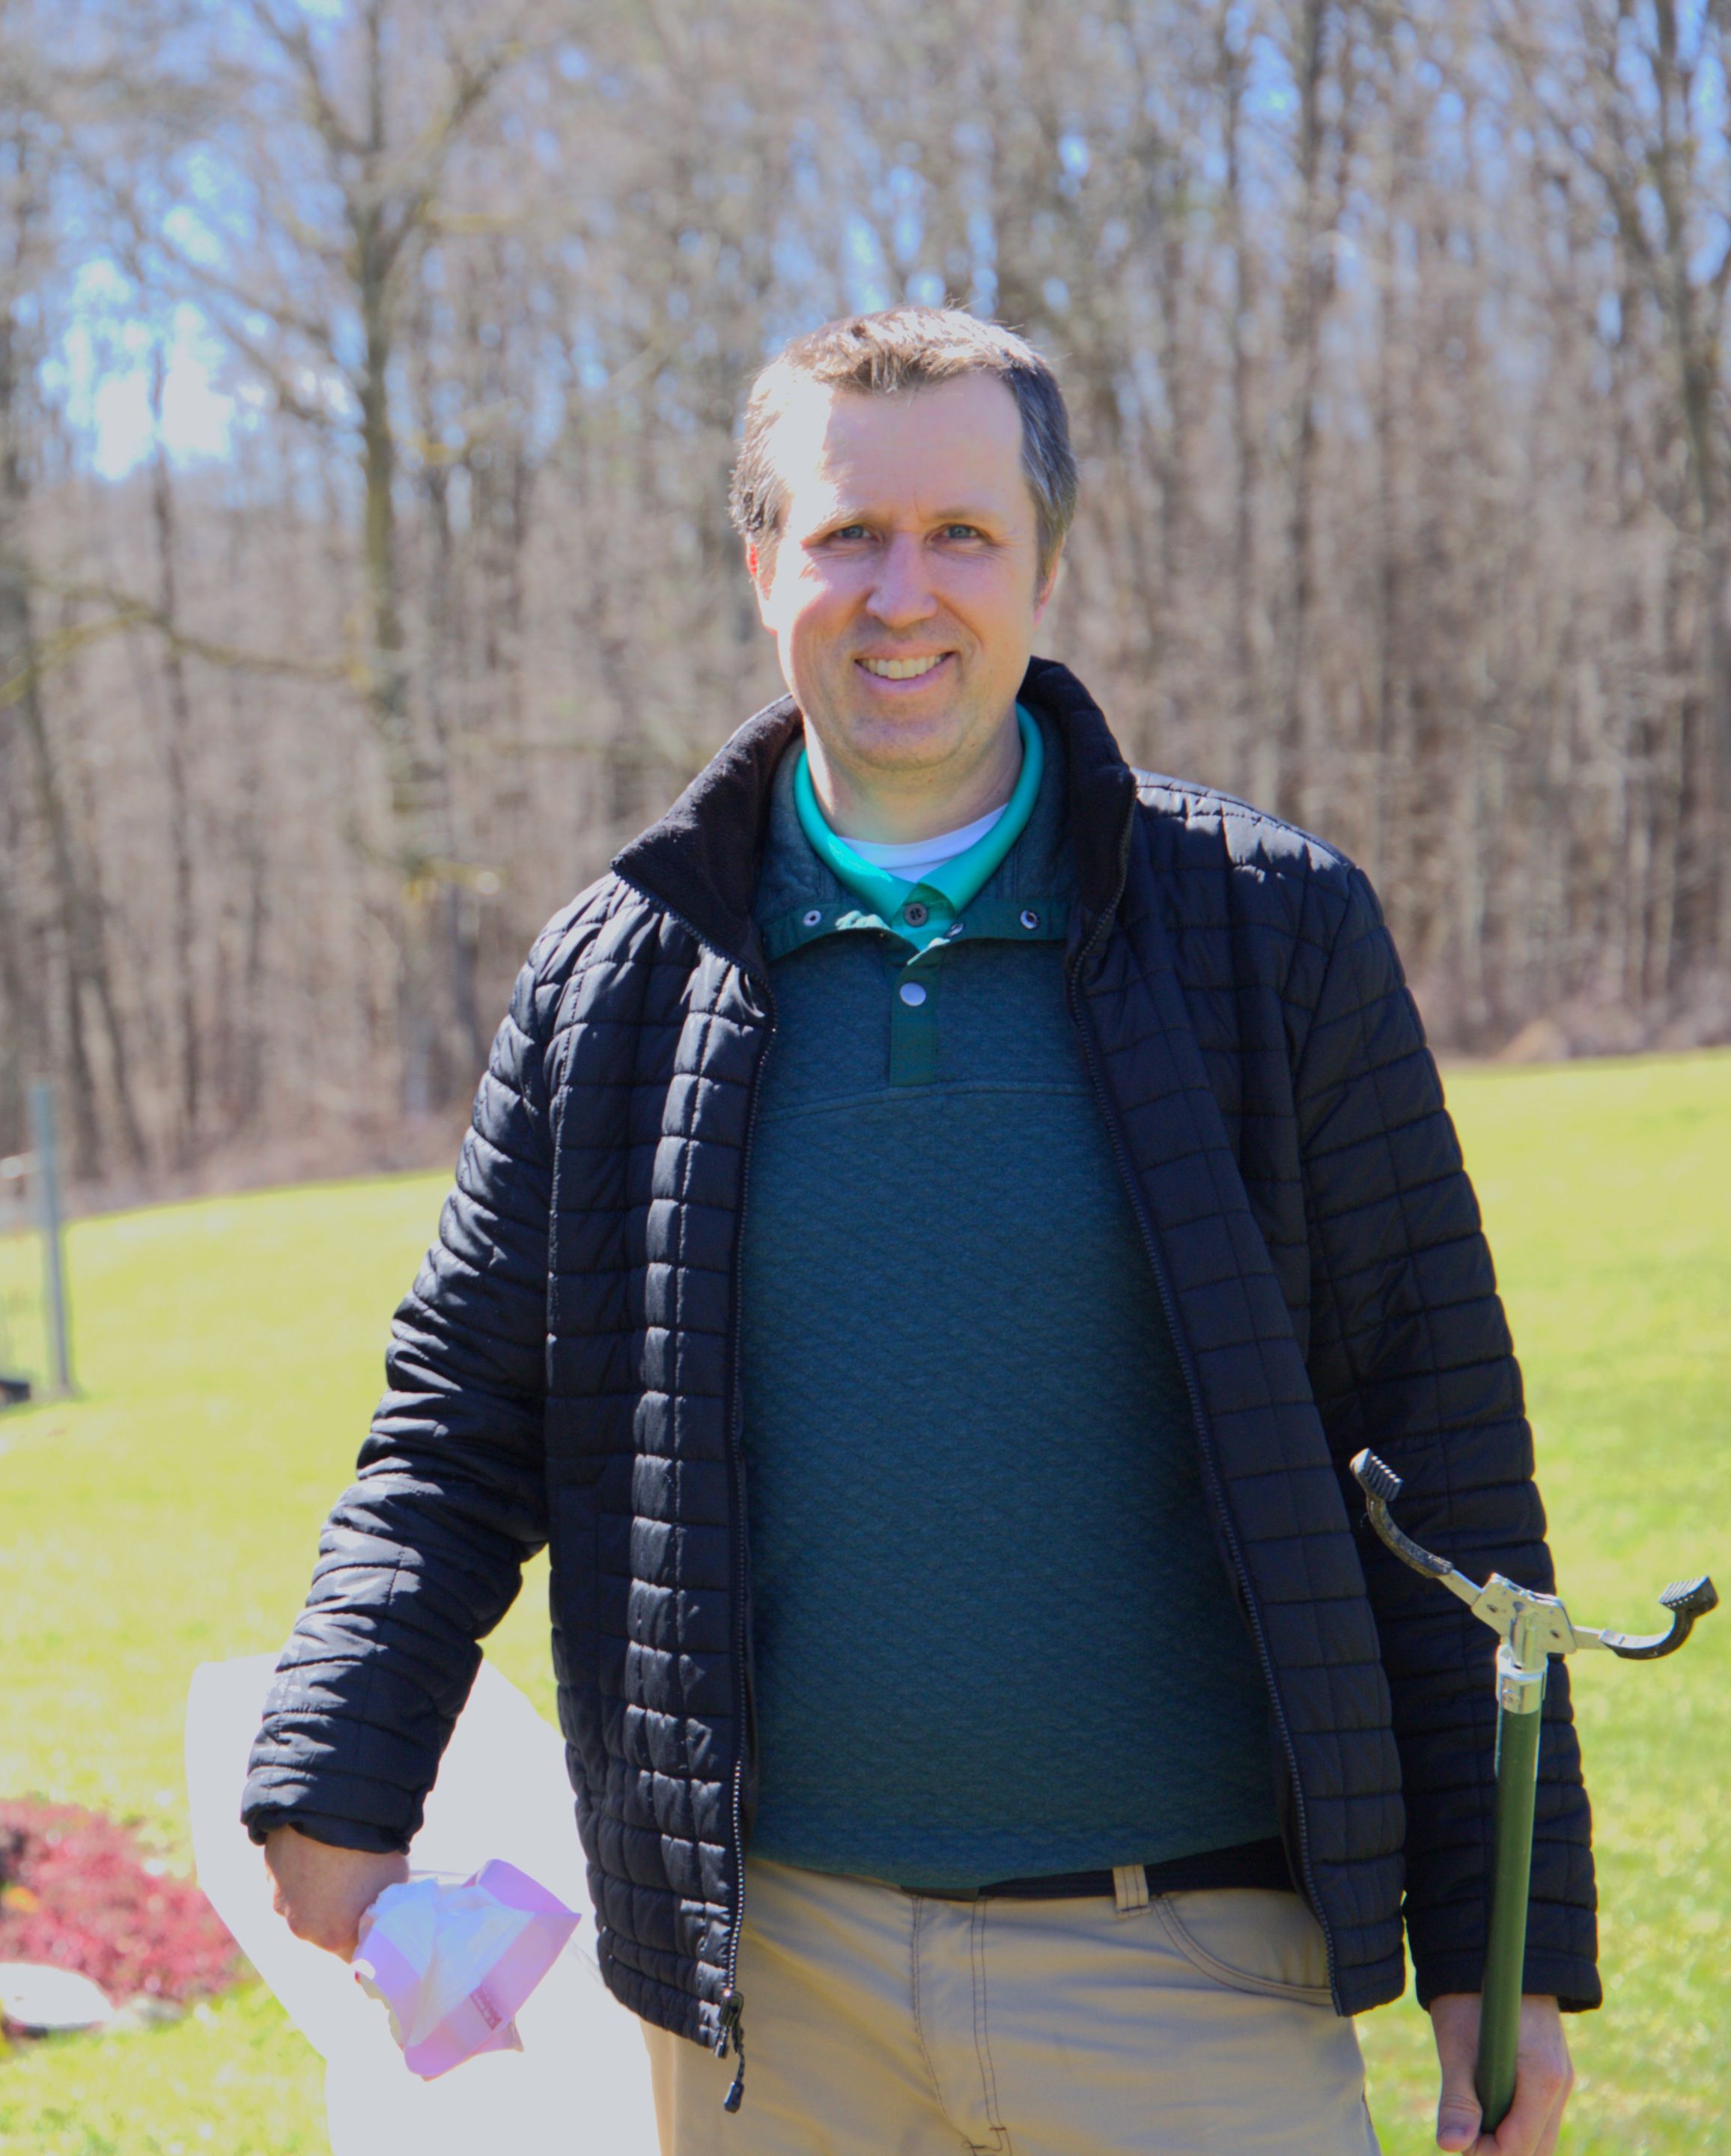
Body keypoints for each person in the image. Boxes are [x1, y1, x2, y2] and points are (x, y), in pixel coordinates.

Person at [241, 306, 1591, 2156]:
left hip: (1194, 1974)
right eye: (846, 535)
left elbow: (1436, 1441)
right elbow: (462, 1427)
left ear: (1046, 562)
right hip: (765, 2000)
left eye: (962, 535)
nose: (903, 594)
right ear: (759, 567)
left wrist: (1507, 1950)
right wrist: (340, 1760)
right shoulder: (617, 981)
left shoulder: (1269, 934)